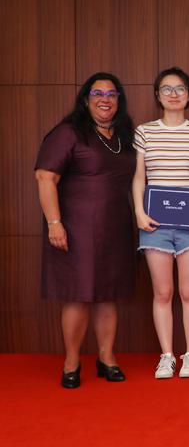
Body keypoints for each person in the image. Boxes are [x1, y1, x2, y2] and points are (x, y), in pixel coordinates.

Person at [35, 72, 136, 388]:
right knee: (77, 296)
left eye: (111, 94)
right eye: (97, 93)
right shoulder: (68, 133)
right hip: (76, 229)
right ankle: (72, 362)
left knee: (108, 295)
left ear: (119, 100)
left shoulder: (124, 136)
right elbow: (45, 178)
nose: (105, 99)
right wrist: (54, 223)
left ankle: (107, 358)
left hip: (115, 228)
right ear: (85, 99)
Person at [132, 67, 189, 379]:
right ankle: (167, 356)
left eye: (180, 88)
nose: (173, 94)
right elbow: (139, 178)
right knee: (163, 292)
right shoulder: (145, 132)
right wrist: (139, 213)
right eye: (166, 89)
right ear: (157, 95)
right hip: (154, 224)